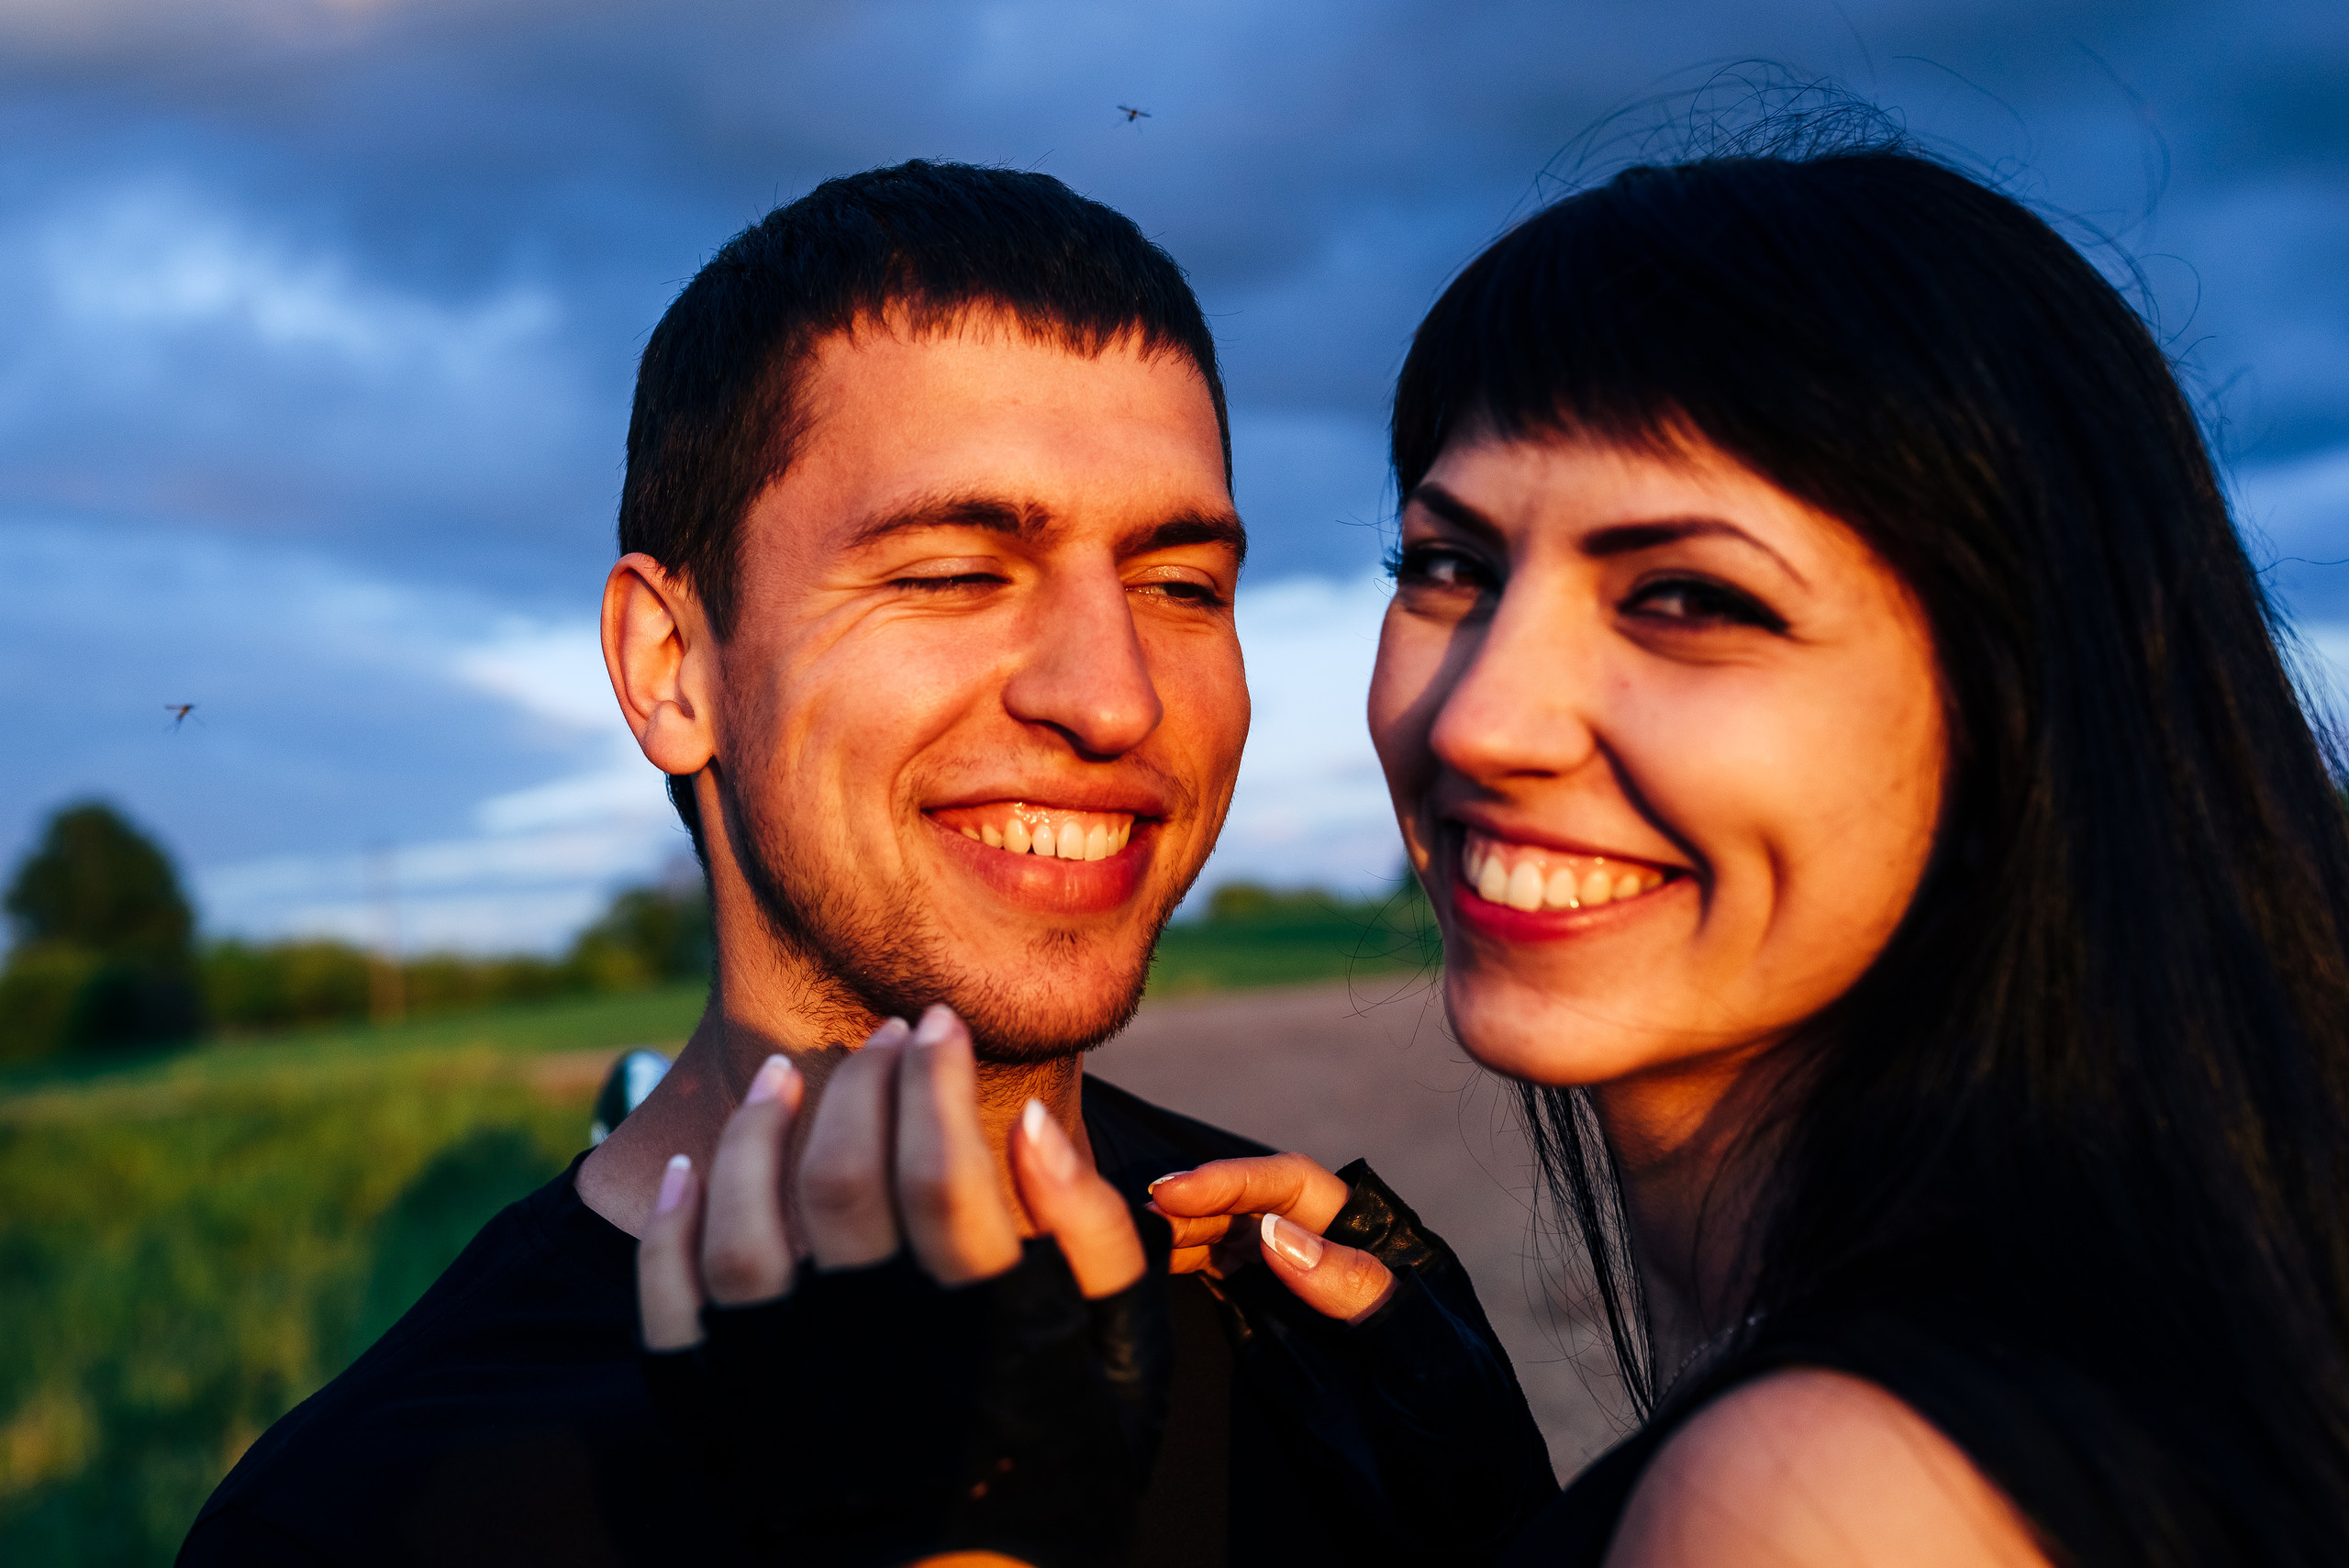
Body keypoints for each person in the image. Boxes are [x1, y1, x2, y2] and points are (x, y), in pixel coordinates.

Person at [664, 139, 2349, 1565]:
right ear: (672, 667)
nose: (1481, 719)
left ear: (2021, 706)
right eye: (1450, 566)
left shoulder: (1835, 1498)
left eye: (1687, 596)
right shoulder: (2112, 1306)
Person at [179, 160, 1547, 1568]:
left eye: (1181, 585)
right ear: (672, 667)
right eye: (953, 573)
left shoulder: (1312, 1317)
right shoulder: (369, 1515)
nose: (1115, 697)